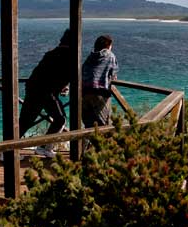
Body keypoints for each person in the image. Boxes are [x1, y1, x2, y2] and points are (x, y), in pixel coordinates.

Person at [18, 29, 71, 158]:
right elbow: (68, 75)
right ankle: (44, 147)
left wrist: (62, 85)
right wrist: (64, 85)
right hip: (46, 92)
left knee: (24, 122)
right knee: (60, 119)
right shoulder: (69, 55)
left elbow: (44, 73)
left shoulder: (51, 54)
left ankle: (6, 150)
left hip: (33, 89)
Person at [82, 34, 118, 128]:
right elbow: (113, 73)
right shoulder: (110, 56)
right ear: (108, 45)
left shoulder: (90, 56)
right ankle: (101, 142)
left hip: (85, 92)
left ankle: (85, 142)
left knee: (88, 124)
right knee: (103, 124)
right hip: (100, 93)